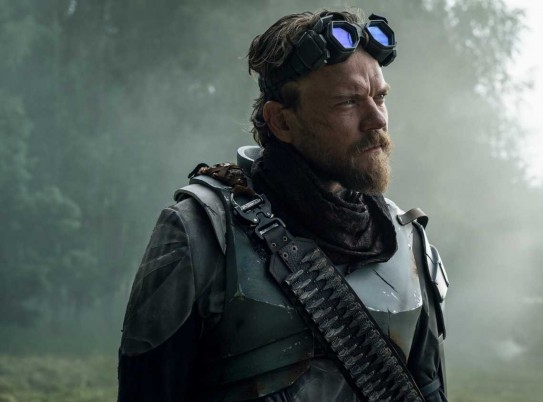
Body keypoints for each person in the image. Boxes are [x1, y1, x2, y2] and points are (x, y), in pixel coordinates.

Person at [118, 8, 448, 402]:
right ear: (282, 122)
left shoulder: (409, 243)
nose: (377, 119)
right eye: (347, 102)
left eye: (380, 97)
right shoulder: (201, 233)